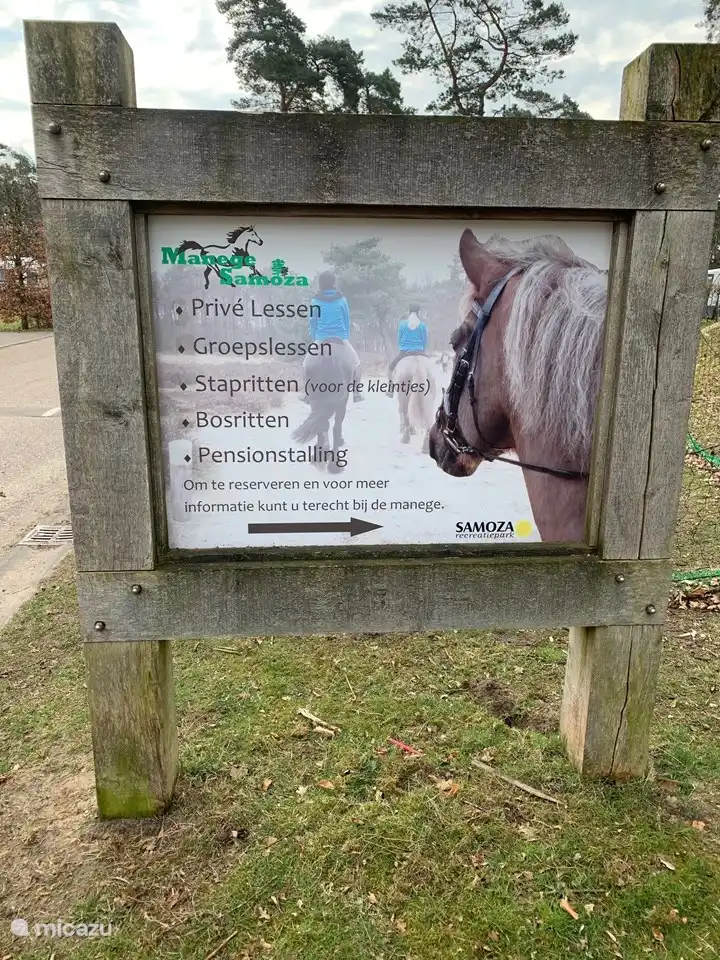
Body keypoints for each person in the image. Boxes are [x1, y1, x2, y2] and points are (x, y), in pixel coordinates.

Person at [304, 271, 363, 402]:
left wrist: (314, 338)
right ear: (333, 283)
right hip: (340, 337)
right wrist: (345, 337)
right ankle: (357, 393)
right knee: (356, 363)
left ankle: (307, 394)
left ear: (320, 284)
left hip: (321, 338)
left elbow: (312, 322)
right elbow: (347, 321)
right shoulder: (342, 300)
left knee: (306, 364)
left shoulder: (315, 301)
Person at [388, 303, 429, 381]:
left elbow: (399, 340)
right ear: (419, 312)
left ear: (409, 312)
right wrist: (422, 351)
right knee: (431, 370)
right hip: (420, 351)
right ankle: (431, 390)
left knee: (390, 369)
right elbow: (424, 341)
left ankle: (390, 389)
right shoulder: (423, 325)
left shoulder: (402, 324)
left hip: (404, 351)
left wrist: (402, 347)